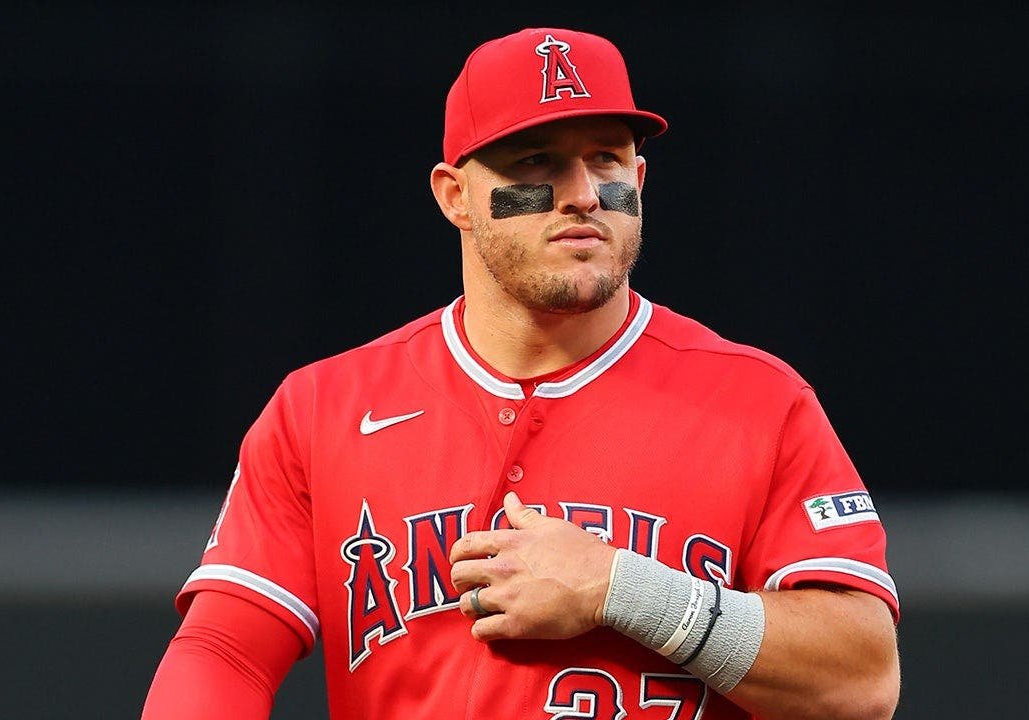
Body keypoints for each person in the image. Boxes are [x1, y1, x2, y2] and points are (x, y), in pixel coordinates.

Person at [143, 27, 900, 720]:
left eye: (605, 158)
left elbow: (862, 680)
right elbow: (226, 651)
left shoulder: (757, 403)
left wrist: (624, 588)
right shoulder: (325, 408)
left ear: (640, 178)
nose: (582, 194)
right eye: (536, 160)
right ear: (455, 197)